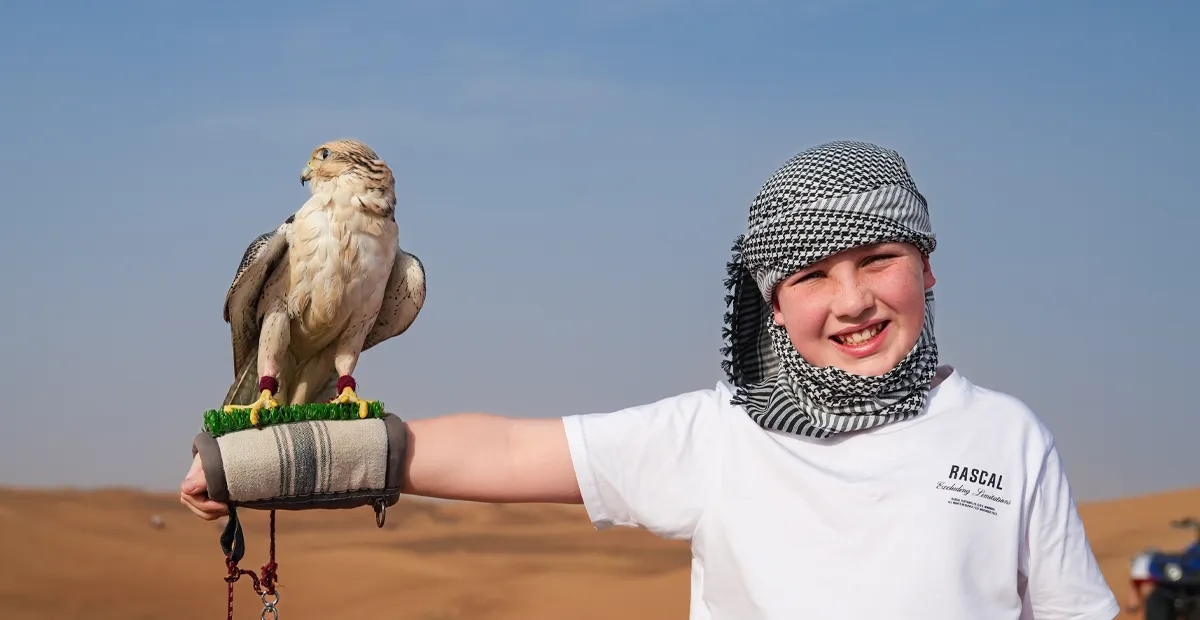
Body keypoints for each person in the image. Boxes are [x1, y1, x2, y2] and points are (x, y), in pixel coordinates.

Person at [181, 140, 1120, 619]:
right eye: (811, 275)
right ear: (771, 302)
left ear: (926, 268)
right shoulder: (723, 438)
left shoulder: (1006, 436)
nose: (852, 301)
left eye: (877, 260)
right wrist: (284, 459)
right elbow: (510, 451)